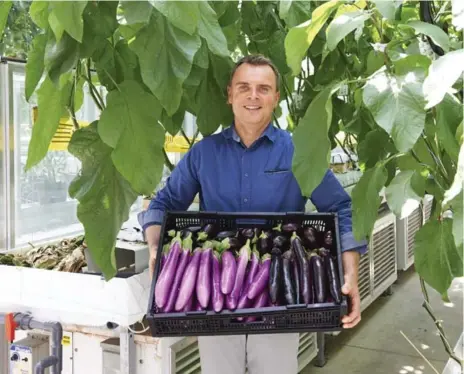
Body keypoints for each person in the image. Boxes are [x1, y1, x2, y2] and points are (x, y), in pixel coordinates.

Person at [138, 54, 367, 374]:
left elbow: (341, 206)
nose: (253, 96)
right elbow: (163, 203)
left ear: (276, 98)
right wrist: (154, 249)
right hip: (216, 289)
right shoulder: (204, 154)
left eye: (263, 88)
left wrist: (350, 275)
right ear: (230, 94)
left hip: (279, 291)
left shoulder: (298, 152)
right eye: (244, 87)